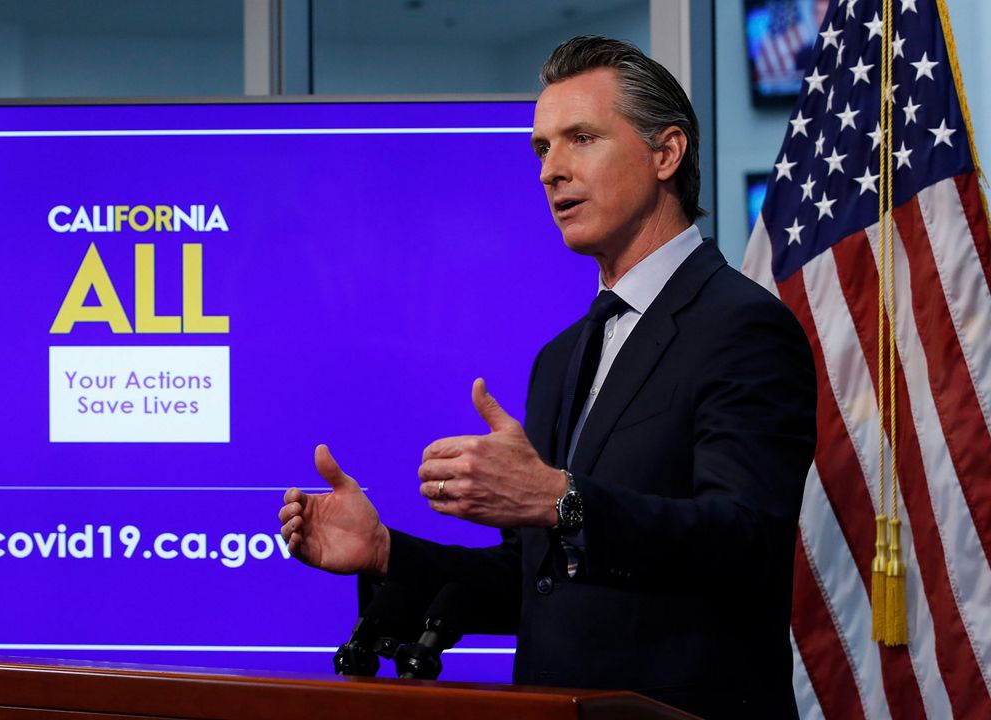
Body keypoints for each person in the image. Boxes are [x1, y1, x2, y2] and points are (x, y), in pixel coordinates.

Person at [278, 36, 816, 719]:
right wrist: (387, 553)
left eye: (581, 139)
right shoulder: (561, 357)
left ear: (666, 153)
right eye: (542, 148)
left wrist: (564, 500)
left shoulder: (742, 328)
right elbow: (538, 583)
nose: (550, 171)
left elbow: (744, 544)